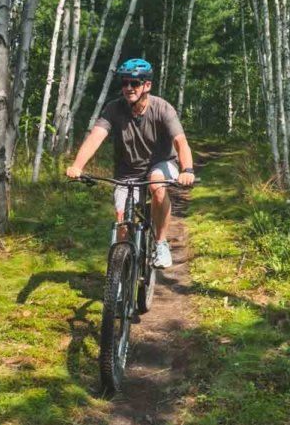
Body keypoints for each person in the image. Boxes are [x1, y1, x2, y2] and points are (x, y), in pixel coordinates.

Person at [65, 58, 195, 268]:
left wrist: (187, 169)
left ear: (147, 85)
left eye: (134, 83)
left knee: (157, 186)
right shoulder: (114, 109)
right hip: (128, 170)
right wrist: (78, 166)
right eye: (124, 83)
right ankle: (120, 277)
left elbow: (180, 142)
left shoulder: (162, 108)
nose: (128, 88)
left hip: (160, 163)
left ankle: (161, 244)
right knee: (121, 219)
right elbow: (96, 137)